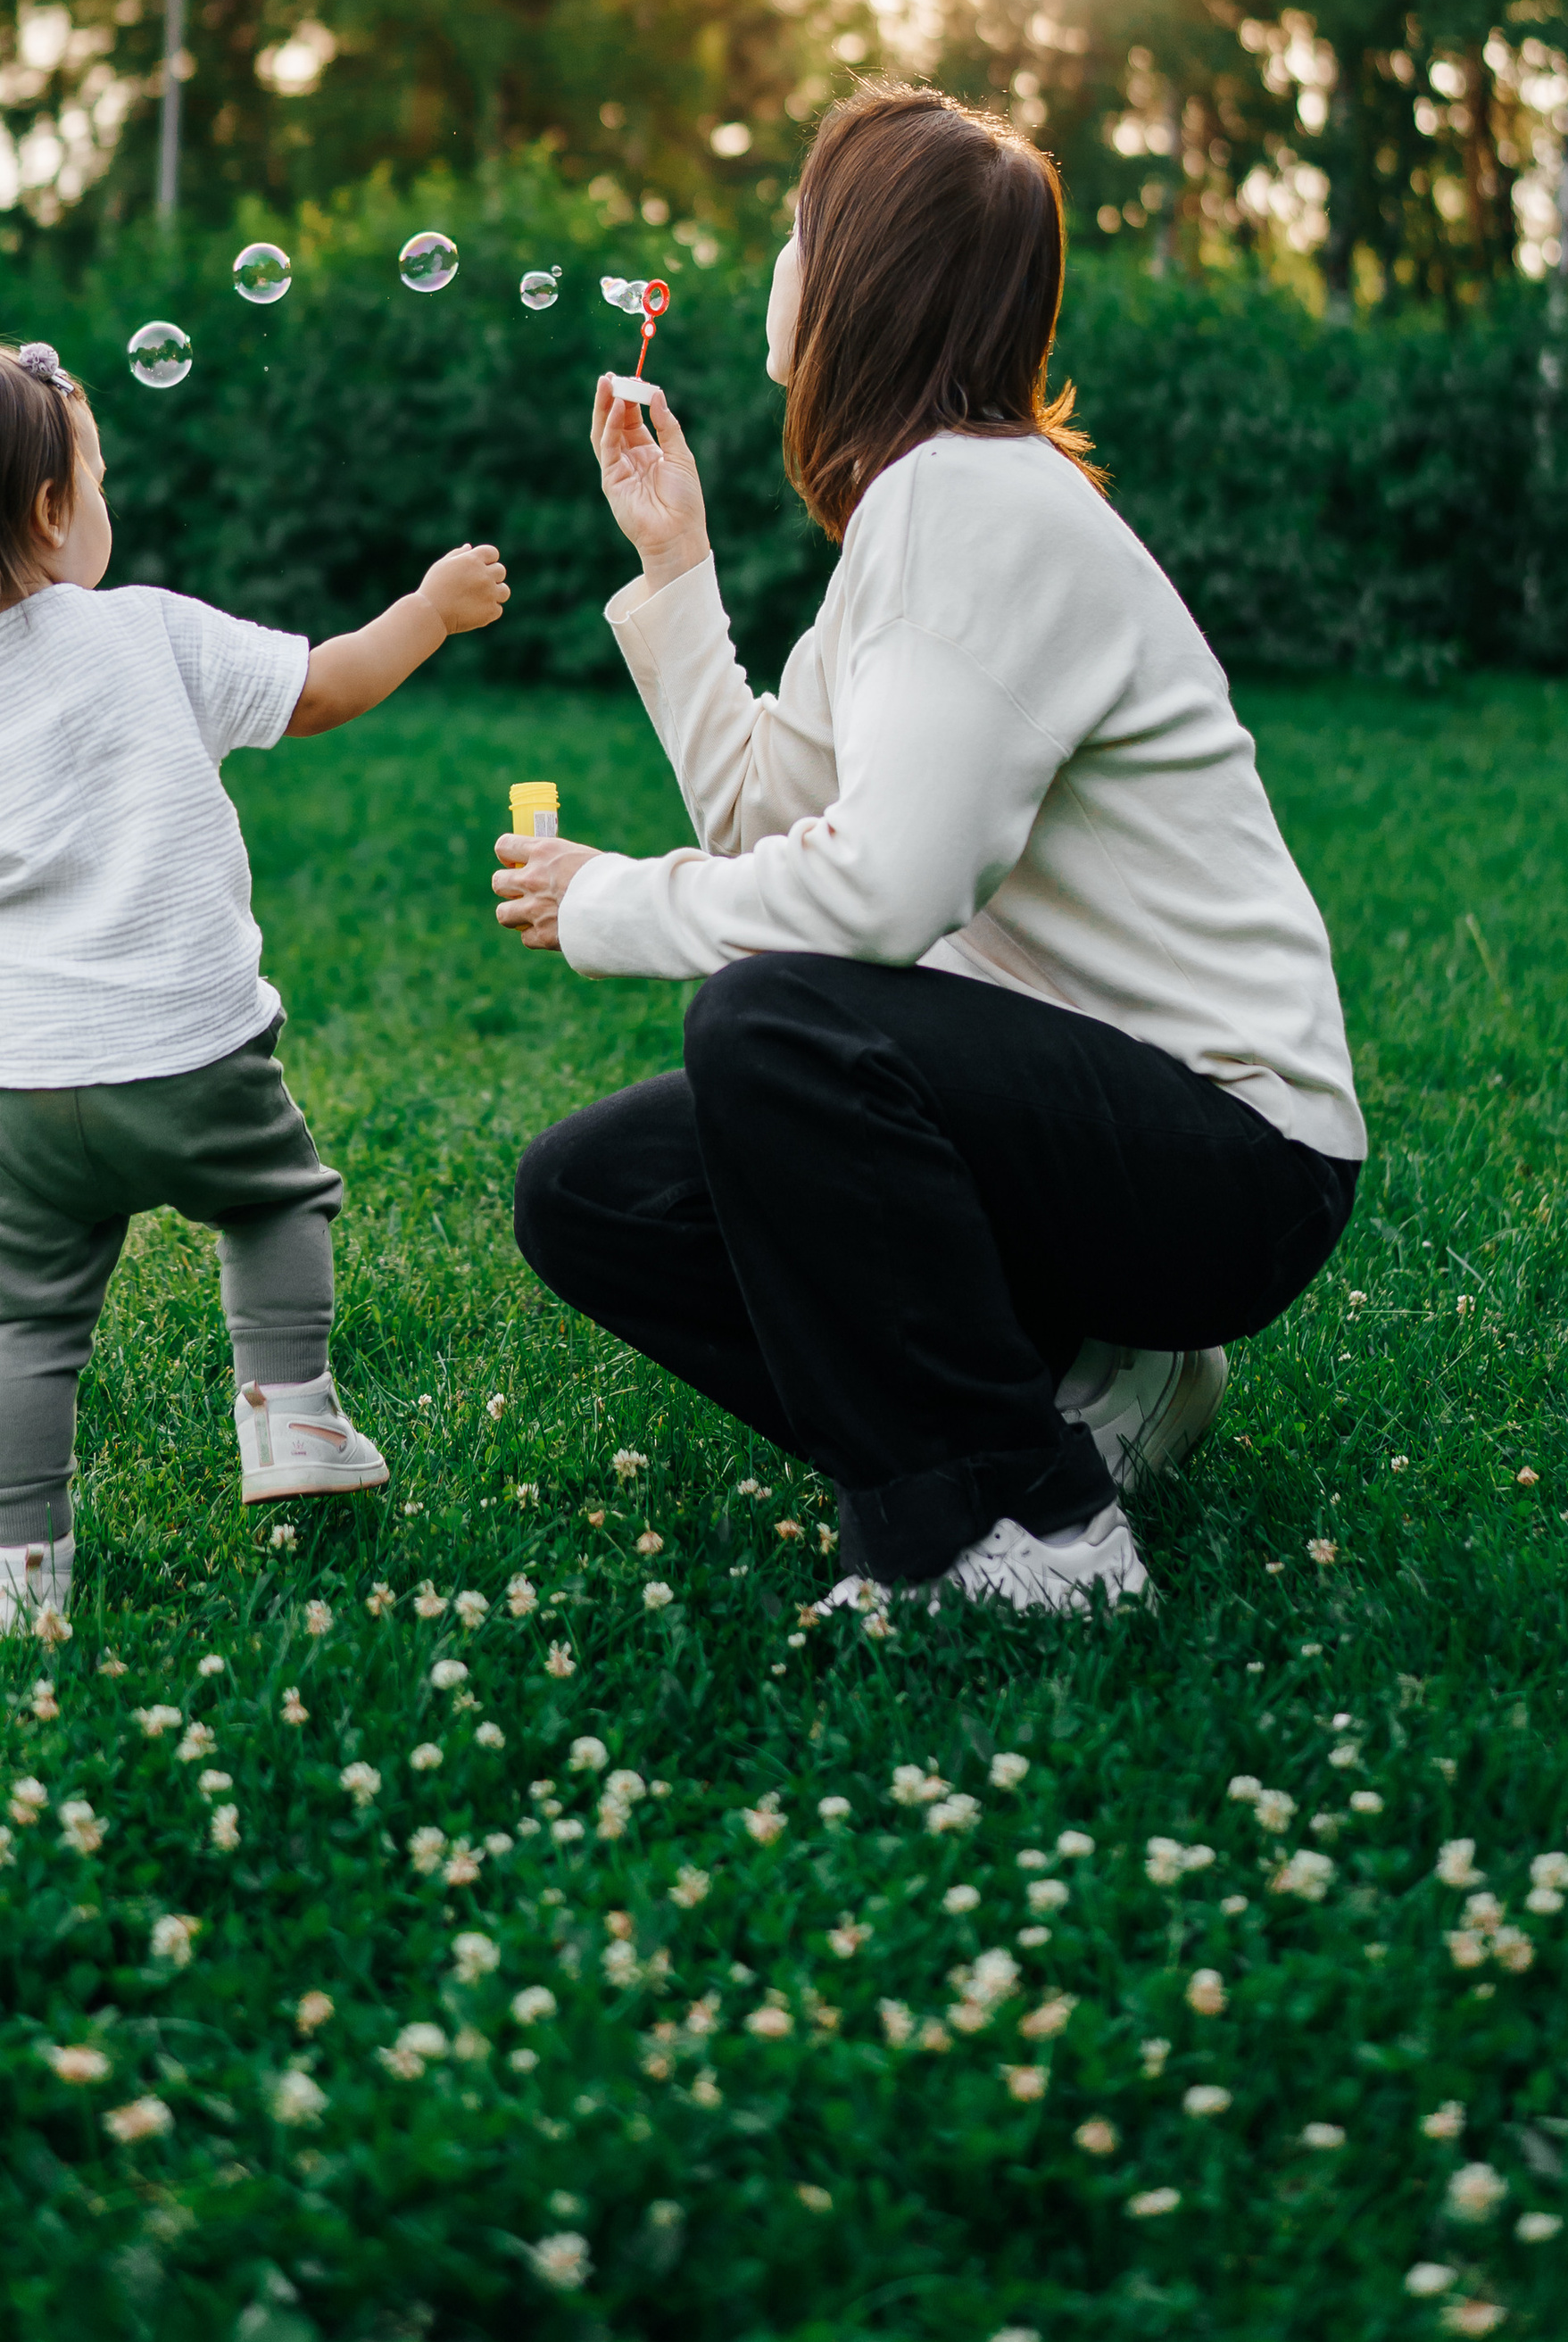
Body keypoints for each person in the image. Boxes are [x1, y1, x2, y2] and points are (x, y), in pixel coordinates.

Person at [493, 87, 1362, 1615]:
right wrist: (677, 563)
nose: (776, 263)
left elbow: (878, 899)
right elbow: (776, 831)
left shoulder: (971, 508)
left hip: (1235, 1152)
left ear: (862, 280)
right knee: (594, 1190)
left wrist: (615, 902)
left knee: (770, 1021)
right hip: (1088, 1112)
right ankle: (1068, 1400)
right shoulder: (918, 510)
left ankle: (1018, 1530)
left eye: (796, 230)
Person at [0, 336, 508, 1627]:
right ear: (52, 511)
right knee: (275, 1197)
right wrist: (430, 608)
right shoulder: (145, 633)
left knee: (12, 1325)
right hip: (194, 1049)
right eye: (98, 478)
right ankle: (290, 1415)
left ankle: (15, 1565)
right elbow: (328, 685)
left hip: (10, 1090)